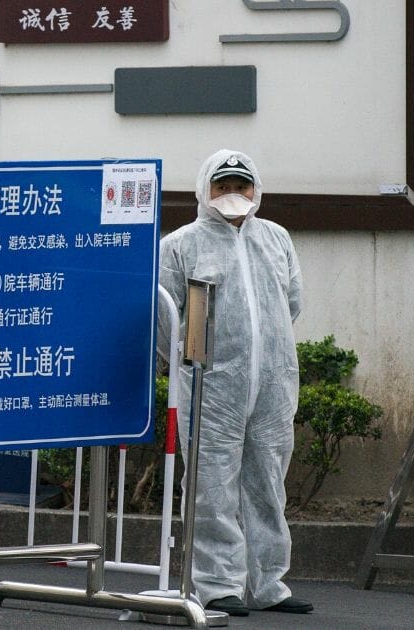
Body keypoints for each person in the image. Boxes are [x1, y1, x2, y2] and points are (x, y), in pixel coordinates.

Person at [158, 149, 310, 616]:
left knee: (268, 482)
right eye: (222, 186)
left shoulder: (276, 239)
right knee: (211, 485)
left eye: (241, 186)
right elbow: (166, 319)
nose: (233, 195)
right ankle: (215, 583)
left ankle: (268, 585)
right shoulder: (181, 244)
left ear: (255, 189)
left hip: (272, 383)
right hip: (211, 387)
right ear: (205, 191)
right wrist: (187, 368)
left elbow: (292, 303)